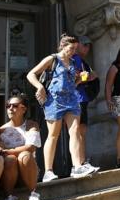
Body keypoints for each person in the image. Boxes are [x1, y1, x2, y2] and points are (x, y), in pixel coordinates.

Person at [26, 34, 98, 181]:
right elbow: (31, 74)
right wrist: (39, 87)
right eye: (71, 48)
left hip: (72, 99)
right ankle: (48, 171)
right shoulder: (52, 59)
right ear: (63, 46)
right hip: (54, 100)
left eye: (75, 49)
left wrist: (81, 78)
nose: (73, 51)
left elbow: (73, 82)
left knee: (75, 131)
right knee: (53, 135)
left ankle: (77, 166)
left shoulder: (72, 62)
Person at [0, 93, 42, 200]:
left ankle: (33, 194)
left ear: (24, 109)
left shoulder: (32, 125)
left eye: (15, 105)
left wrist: (10, 151)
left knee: (25, 155)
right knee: (10, 159)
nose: (10, 109)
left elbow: (31, 148)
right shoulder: (1, 130)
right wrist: (9, 153)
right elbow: (1, 150)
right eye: (8, 106)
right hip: (9, 173)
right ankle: (9, 198)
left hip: (28, 171)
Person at [71, 36, 99, 167]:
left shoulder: (82, 60)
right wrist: (89, 77)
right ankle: (79, 163)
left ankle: (82, 161)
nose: (87, 48)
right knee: (78, 132)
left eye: (89, 45)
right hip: (78, 98)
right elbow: (77, 77)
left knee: (81, 131)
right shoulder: (75, 59)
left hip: (82, 98)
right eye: (85, 45)